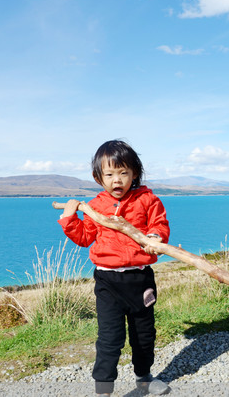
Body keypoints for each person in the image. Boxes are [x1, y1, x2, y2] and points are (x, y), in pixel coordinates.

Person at [58, 140, 171, 396]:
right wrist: (69, 218)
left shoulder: (148, 199)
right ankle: (103, 392)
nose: (117, 180)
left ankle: (144, 379)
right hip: (108, 283)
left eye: (123, 173)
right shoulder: (95, 206)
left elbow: (160, 225)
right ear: (98, 177)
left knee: (144, 336)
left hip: (141, 281)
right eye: (109, 174)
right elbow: (85, 238)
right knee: (110, 340)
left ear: (134, 174)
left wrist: (154, 236)